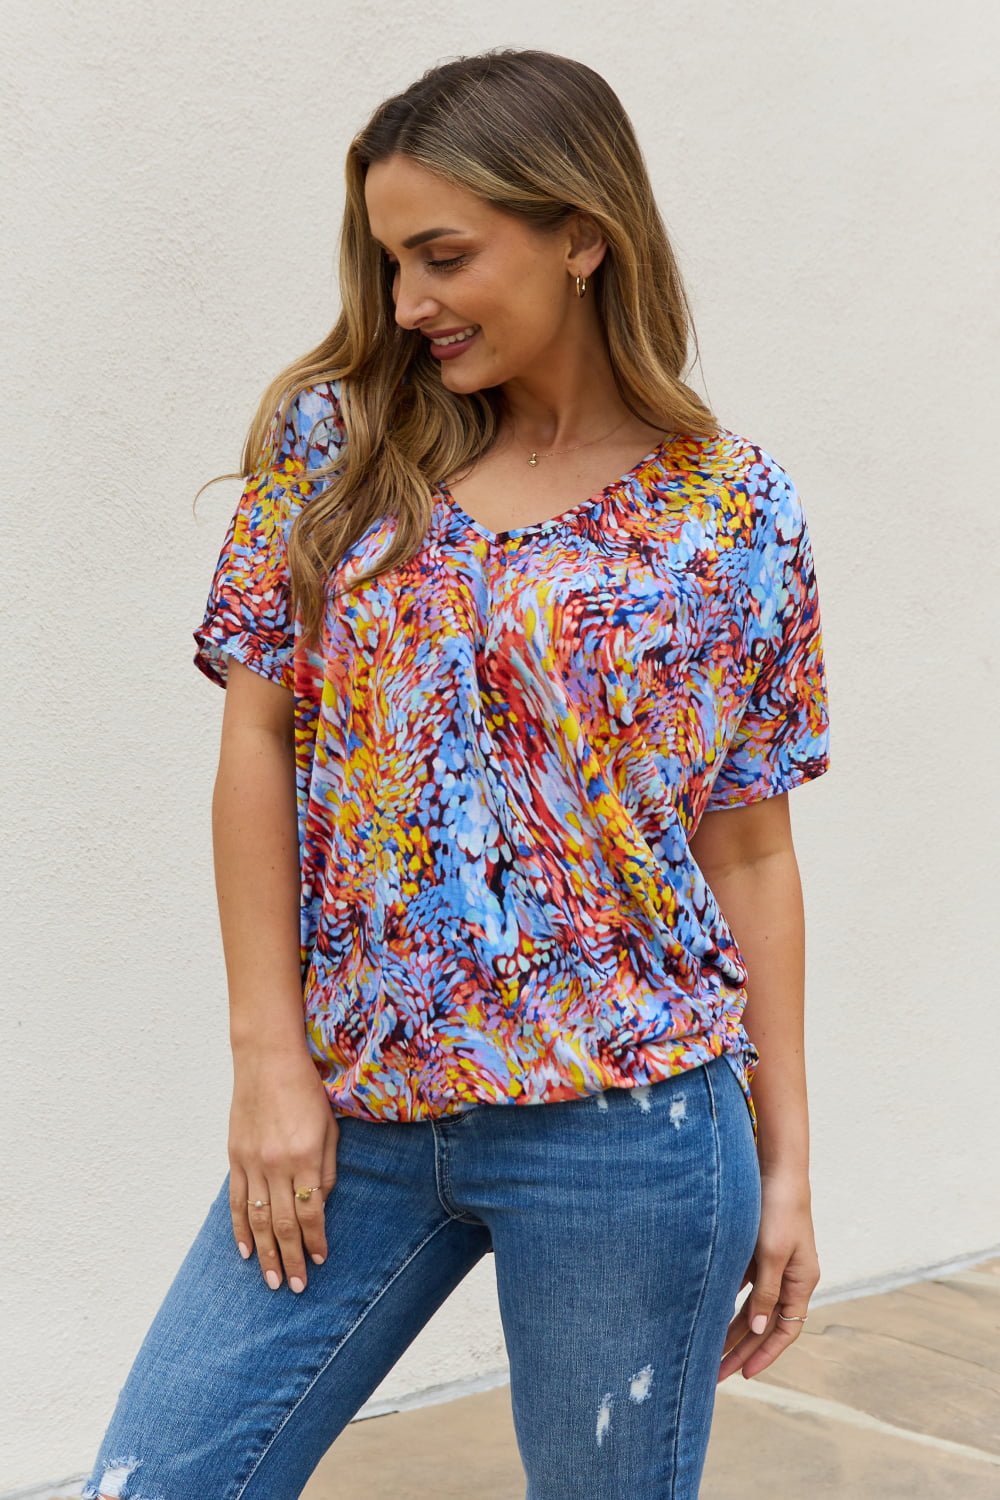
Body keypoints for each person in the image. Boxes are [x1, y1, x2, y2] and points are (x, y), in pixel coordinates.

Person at [84, 46, 830, 1500]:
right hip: (354, 1108)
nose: (407, 302)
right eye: (390, 262)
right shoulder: (340, 442)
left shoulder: (733, 509)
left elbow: (749, 843)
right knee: (161, 1476)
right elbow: (259, 736)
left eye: (443, 256)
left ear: (581, 234)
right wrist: (267, 1059)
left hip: (634, 1125)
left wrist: (789, 1161)